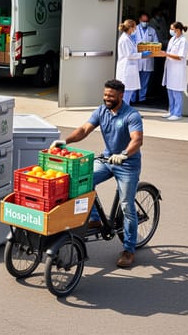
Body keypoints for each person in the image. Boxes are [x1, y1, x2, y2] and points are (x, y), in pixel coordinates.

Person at [51, 79, 143, 268]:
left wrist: (124, 154)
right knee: (83, 181)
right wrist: (65, 142)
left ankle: (129, 250)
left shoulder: (131, 115)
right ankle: (94, 219)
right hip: (107, 160)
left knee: (127, 206)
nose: (107, 98)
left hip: (127, 164)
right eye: (105, 95)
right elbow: (85, 129)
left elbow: (137, 140)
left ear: (121, 96)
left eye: (111, 96)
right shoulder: (101, 110)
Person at [115, 19, 153, 105]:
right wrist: (142, 55)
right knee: (127, 92)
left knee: (129, 91)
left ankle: (126, 111)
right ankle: (124, 112)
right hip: (126, 68)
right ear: (131, 28)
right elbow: (129, 55)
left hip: (130, 68)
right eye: (135, 27)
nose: (135, 30)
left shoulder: (129, 38)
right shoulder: (125, 39)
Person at [158, 21, 188, 121]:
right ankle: (171, 111)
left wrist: (166, 55)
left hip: (178, 70)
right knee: (170, 91)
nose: (171, 31)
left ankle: (177, 113)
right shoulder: (172, 39)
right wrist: (165, 54)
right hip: (170, 68)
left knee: (176, 92)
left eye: (173, 29)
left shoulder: (183, 41)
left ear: (179, 30)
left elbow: (180, 56)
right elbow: (169, 52)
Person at [133, 12, 159, 103]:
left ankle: (142, 98)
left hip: (148, 58)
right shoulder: (134, 29)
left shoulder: (152, 30)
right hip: (137, 59)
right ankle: (133, 98)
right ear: (140, 20)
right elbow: (131, 43)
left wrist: (149, 47)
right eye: (143, 20)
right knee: (134, 80)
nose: (145, 22)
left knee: (145, 81)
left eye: (146, 21)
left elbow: (156, 43)